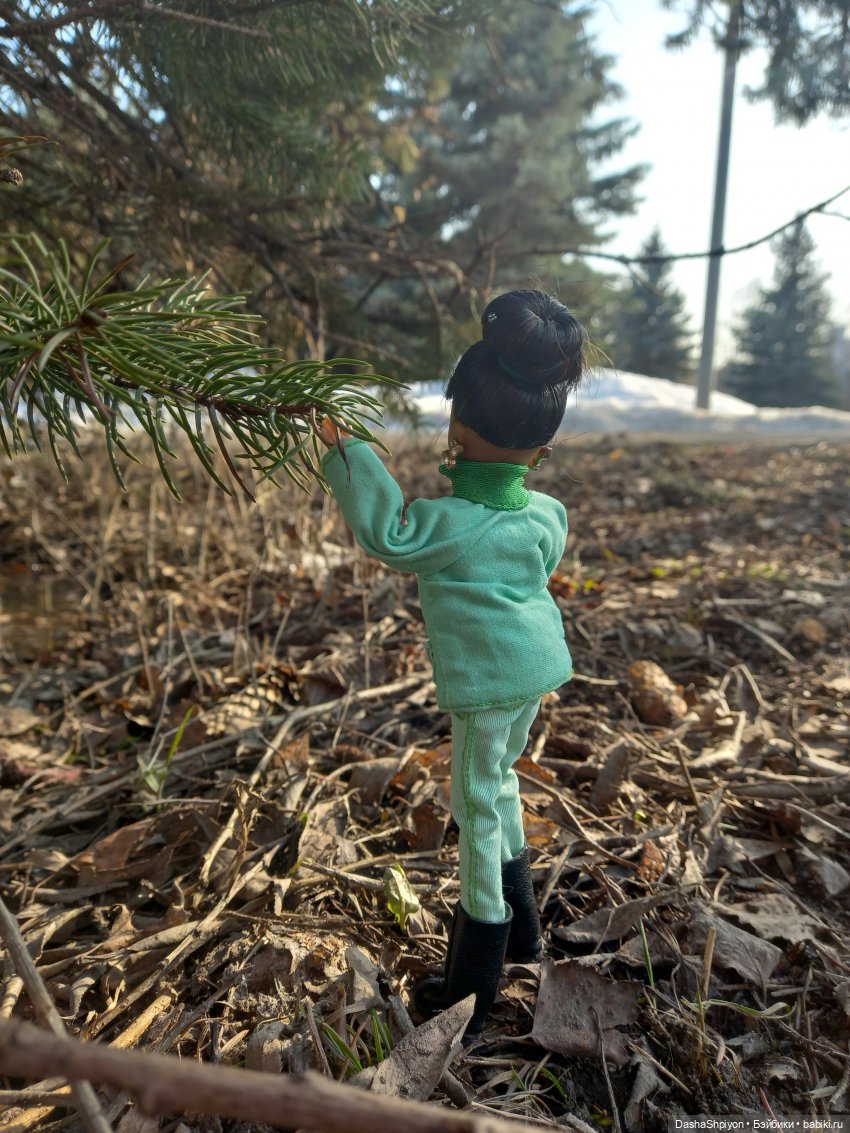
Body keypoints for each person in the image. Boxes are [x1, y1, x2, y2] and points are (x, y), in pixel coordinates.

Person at [318, 289, 587, 1034]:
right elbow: (547, 552)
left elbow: (388, 534)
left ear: (454, 432)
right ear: (541, 450)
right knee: (497, 788)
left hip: (489, 687)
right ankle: (526, 932)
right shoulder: (545, 512)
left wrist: (350, 451)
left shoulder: (447, 522)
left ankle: (473, 981)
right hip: (536, 673)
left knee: (474, 803)